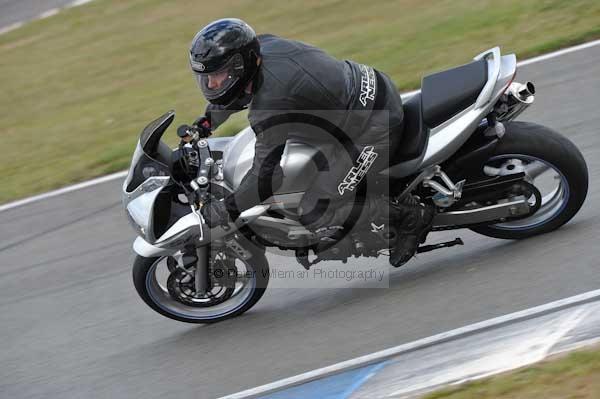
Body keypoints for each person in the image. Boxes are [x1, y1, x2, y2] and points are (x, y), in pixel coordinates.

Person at [188, 18, 433, 267]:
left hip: (375, 127)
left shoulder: (271, 102)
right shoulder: (261, 46)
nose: (212, 83)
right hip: (364, 97)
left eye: (218, 75)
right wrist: (207, 123)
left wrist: (226, 209)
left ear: (241, 64)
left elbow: (267, 178)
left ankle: (411, 216)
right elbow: (238, 92)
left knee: (315, 208)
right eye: (207, 77)